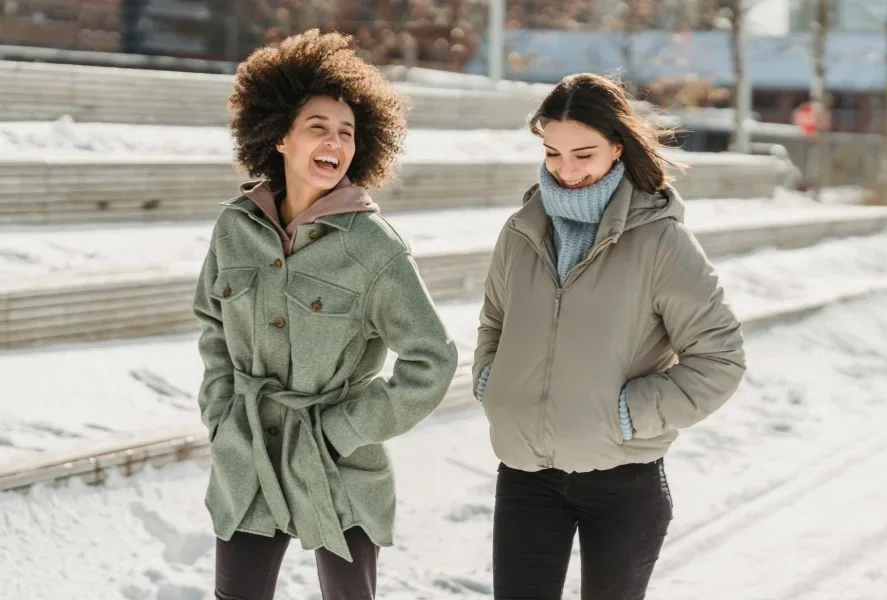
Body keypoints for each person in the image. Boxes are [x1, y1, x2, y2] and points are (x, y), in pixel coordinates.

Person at [193, 29, 458, 600]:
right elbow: (212, 323)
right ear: (279, 138)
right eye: (318, 128)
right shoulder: (234, 228)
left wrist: (344, 430)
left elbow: (432, 360)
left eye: (347, 132)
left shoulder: (375, 247)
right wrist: (220, 410)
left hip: (340, 463)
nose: (335, 142)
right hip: (249, 450)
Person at [472, 73, 746, 600]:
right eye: (553, 153)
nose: (566, 170)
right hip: (527, 476)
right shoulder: (521, 231)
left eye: (584, 154)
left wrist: (626, 415)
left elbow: (720, 359)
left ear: (617, 148)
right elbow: (494, 323)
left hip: (623, 480)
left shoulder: (661, 241)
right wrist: (493, 384)